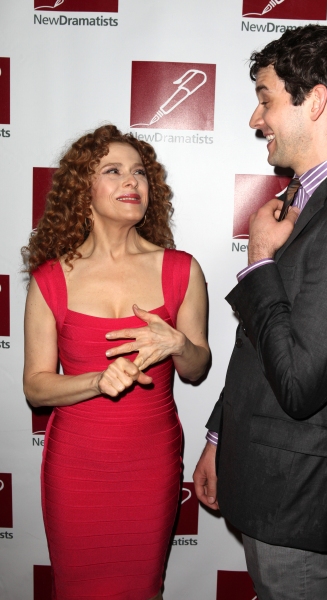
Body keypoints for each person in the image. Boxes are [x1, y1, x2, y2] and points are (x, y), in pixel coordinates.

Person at [192, 25, 327, 599]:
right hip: (264, 478)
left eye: (265, 98)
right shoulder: (308, 201)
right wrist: (219, 435)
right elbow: (264, 343)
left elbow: (299, 383)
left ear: (314, 101)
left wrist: (259, 260)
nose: (255, 119)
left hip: (294, 496)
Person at [23, 124, 210, 600]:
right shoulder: (50, 279)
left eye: (140, 173)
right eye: (114, 171)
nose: (133, 182)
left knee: (142, 587)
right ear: (82, 190)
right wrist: (95, 382)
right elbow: (36, 388)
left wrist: (178, 345)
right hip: (77, 466)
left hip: (149, 463)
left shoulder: (181, 270)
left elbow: (197, 367)